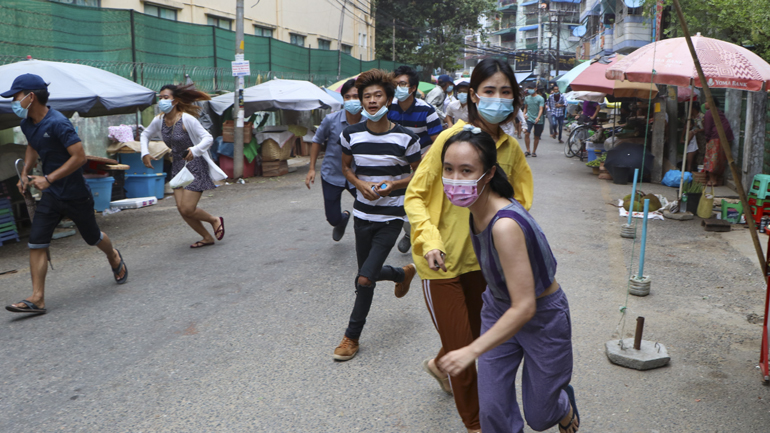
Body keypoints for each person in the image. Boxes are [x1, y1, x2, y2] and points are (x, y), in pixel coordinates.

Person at [404, 58, 533, 433]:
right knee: (464, 352)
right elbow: (415, 195)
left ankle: (437, 364)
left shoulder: (511, 150)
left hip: (484, 264)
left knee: (473, 337)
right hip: (440, 264)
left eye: (505, 92)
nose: (497, 98)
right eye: (489, 90)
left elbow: (520, 204)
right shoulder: (450, 139)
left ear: (515, 99)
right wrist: (429, 240)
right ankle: (476, 424)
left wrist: (510, 248)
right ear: (473, 95)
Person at [437, 127, 578, 433]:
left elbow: (525, 307)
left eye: (466, 170)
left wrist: (471, 350)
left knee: (540, 417)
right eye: (448, 169)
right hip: (498, 308)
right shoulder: (475, 208)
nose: (455, 179)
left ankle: (562, 405)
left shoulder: (505, 225)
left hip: (542, 318)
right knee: (492, 412)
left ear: (488, 174)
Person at [3, 74, 127, 314]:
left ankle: (113, 255)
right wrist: (25, 173)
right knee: (36, 242)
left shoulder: (58, 123)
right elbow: (32, 146)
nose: (13, 102)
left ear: (31, 97)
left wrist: (49, 178)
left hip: (75, 194)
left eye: (16, 97)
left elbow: (79, 158)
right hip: (52, 196)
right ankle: (37, 298)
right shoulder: (28, 123)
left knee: (92, 237)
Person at [333, 69, 422, 361]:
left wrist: (393, 185)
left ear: (389, 99)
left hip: (391, 217)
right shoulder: (350, 135)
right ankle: (401, 273)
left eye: (377, 95)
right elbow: (346, 168)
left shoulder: (406, 138)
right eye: (366, 96)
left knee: (363, 280)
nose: (371, 101)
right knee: (366, 275)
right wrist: (359, 184)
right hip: (362, 215)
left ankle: (351, 337)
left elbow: (419, 175)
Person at [141, 84, 226, 248]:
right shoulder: (159, 120)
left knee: (187, 208)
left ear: (175, 101)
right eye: (160, 98)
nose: (162, 101)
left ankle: (214, 220)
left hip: (195, 164)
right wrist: (144, 153)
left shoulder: (187, 119)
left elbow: (208, 138)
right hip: (178, 165)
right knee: (181, 208)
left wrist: (195, 150)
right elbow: (145, 134)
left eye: (166, 97)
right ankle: (207, 237)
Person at [389, 65, 443, 254]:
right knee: (401, 203)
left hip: (422, 163)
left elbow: (438, 142)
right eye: (395, 84)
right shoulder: (388, 107)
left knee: (419, 201)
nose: (398, 87)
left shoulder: (427, 110)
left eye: (402, 84)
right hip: (397, 163)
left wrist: (422, 161)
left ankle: (421, 237)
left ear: (412, 88)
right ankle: (408, 231)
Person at [305, 79, 362, 241]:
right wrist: (311, 169)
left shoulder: (370, 122)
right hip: (332, 174)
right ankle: (342, 219)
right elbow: (317, 141)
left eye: (356, 96)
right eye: (347, 97)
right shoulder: (331, 120)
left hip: (358, 176)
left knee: (368, 209)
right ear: (343, 99)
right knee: (332, 218)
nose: (352, 100)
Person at [702, 98, 734, 186]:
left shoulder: (709, 112)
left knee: (712, 159)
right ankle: (714, 179)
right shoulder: (718, 112)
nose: (705, 103)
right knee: (719, 159)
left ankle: (712, 180)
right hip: (725, 138)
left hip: (716, 137)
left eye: (706, 101)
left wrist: (707, 138)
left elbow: (707, 128)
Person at [681, 102, 705, 172]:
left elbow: (706, 128)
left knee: (700, 155)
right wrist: (682, 137)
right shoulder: (689, 117)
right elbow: (685, 127)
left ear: (693, 109)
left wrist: (698, 131)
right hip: (692, 140)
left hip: (700, 139)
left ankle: (699, 171)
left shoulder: (702, 117)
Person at [523, 86, 545, 157]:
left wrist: (538, 117)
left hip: (538, 119)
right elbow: (525, 108)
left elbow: (541, 109)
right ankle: (528, 150)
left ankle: (534, 151)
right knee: (527, 133)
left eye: (531, 88)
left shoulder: (540, 98)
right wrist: (523, 114)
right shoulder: (527, 98)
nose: (530, 90)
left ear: (535, 89)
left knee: (536, 136)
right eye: (528, 88)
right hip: (529, 118)